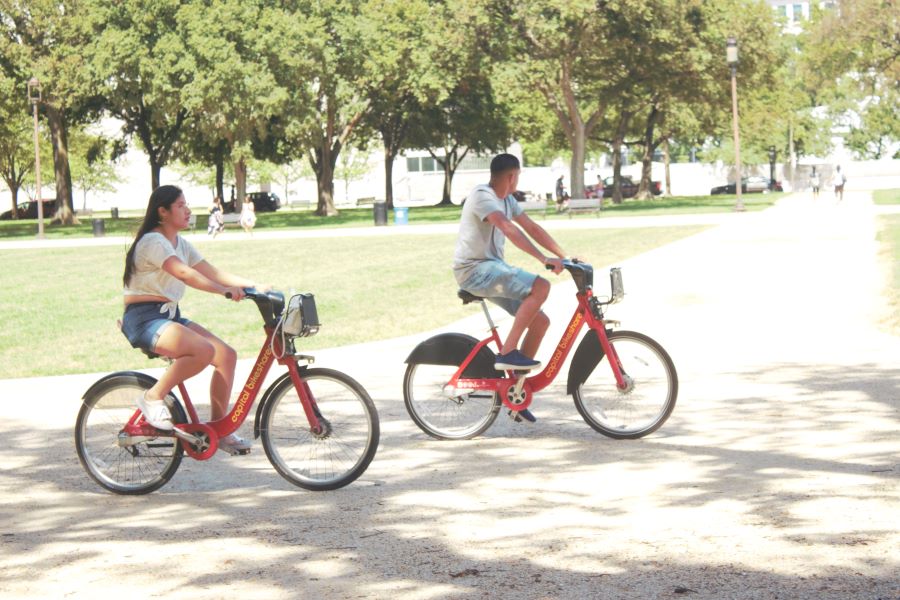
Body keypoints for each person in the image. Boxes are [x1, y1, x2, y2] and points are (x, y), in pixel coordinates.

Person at [121, 185, 266, 455]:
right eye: (180, 205)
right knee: (204, 350)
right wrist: (223, 291)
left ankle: (221, 431)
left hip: (168, 316)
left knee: (226, 356)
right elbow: (185, 274)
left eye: (186, 204)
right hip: (144, 319)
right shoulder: (153, 242)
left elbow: (212, 272)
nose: (188, 210)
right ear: (162, 212)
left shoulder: (180, 243)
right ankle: (152, 397)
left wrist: (256, 286)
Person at [454, 154, 569, 424]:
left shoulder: (507, 199)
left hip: (490, 269)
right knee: (540, 287)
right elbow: (507, 228)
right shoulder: (483, 196)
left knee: (540, 321)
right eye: (519, 175)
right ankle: (507, 353)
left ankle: (516, 392)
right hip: (474, 271)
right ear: (511, 176)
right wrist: (543, 259)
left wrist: (564, 256)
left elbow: (530, 226)